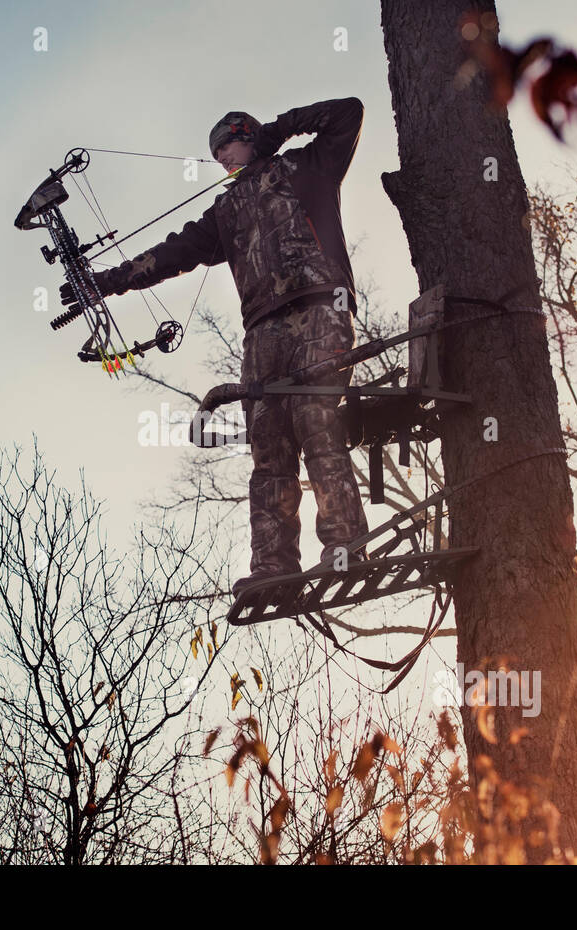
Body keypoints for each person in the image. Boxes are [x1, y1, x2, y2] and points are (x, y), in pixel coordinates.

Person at [61, 98, 370, 596]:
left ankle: (345, 546)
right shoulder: (225, 212)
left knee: (317, 422)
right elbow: (172, 252)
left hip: (320, 307)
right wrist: (106, 282)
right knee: (269, 448)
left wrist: (279, 130)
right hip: (262, 333)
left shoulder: (308, 166)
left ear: (250, 135)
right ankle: (274, 566)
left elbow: (348, 112)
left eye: (228, 144)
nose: (223, 158)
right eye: (217, 153)